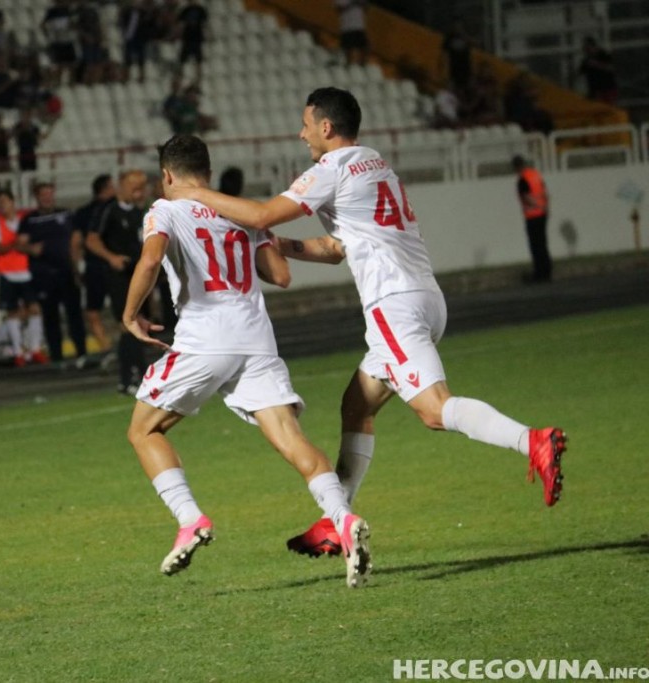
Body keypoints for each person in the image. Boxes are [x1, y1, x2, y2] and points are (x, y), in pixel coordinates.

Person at [170, 87, 567, 560]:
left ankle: (533, 441)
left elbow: (259, 214)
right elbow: (341, 248)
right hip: (423, 294)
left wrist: (195, 192)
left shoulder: (331, 169)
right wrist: (286, 246)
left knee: (433, 410)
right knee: (356, 406)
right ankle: (336, 521)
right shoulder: (374, 162)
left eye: (305, 124)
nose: (301, 133)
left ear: (326, 127)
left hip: (392, 303)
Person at [123, 134, 372, 587]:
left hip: (205, 338)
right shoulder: (240, 211)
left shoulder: (164, 210)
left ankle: (189, 519)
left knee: (143, 429)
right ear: (209, 173)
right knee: (290, 439)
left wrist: (129, 313)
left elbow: (150, 260)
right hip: (256, 340)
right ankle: (342, 519)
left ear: (167, 176)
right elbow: (280, 275)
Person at [86, 169, 148, 393]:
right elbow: (91, 240)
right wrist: (111, 257)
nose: (139, 193)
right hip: (118, 276)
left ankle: (130, 378)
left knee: (137, 324)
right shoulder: (108, 210)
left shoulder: (140, 212)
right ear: (122, 187)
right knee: (128, 324)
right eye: (135, 188)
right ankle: (135, 376)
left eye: (141, 188)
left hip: (137, 273)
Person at [16, 182, 87, 365]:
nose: (47, 197)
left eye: (49, 194)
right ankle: (57, 357)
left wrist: (76, 265)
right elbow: (20, 243)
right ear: (37, 197)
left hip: (66, 271)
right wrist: (32, 249)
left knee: (74, 313)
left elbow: (76, 239)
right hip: (44, 274)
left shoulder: (66, 214)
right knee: (50, 315)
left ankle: (81, 352)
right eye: (43, 194)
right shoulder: (29, 219)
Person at [0, 188, 47, 366]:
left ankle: (35, 349)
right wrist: (17, 243)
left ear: (13, 202)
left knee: (35, 309)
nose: (2, 206)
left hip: (26, 272)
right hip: (7, 273)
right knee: (12, 312)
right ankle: (18, 352)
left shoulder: (24, 220)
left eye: (5, 201)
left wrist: (17, 245)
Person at [73, 173, 116, 353]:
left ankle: (106, 347)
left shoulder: (83, 212)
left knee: (93, 311)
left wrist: (78, 268)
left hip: (94, 266)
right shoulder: (115, 208)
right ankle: (125, 346)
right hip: (113, 265)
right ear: (105, 189)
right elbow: (77, 242)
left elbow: (75, 243)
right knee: (128, 309)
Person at [512, 155, 552, 283]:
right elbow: (544, 192)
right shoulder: (535, 174)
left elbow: (526, 198)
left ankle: (539, 273)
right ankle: (547, 270)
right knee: (543, 243)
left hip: (532, 216)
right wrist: (545, 207)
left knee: (536, 245)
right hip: (542, 214)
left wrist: (537, 206)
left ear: (516, 167)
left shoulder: (522, 180)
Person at [578, 37, 618, 105]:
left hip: (607, 88)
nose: (586, 50)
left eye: (587, 47)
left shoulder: (603, 54)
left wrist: (597, 64)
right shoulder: (587, 60)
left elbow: (610, 67)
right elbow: (580, 72)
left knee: (607, 106)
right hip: (596, 90)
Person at [176, 0, 207, 83]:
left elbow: (204, 23)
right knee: (182, 58)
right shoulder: (185, 10)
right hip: (187, 38)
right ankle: (180, 75)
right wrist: (179, 33)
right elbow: (180, 23)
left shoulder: (201, 10)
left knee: (198, 59)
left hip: (197, 38)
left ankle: (198, 78)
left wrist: (206, 34)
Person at [335, 0, 369, 66]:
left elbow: (366, 7)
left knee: (364, 47)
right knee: (348, 49)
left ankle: (362, 65)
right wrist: (351, 3)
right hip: (347, 27)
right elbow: (339, 8)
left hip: (359, 26)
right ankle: (348, 66)